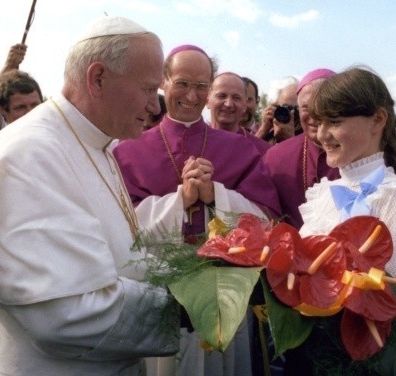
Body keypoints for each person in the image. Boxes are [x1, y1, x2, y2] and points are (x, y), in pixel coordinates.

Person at [0, 16, 181, 375]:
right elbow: (62, 314)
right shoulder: (29, 154)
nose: (155, 107)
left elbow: (120, 256)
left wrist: (198, 279)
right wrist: (180, 308)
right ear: (98, 78)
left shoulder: (96, 142)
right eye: (148, 89)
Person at [114, 44, 280, 376]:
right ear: (164, 81)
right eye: (183, 83)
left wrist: (215, 195)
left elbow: (267, 220)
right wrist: (182, 200)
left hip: (223, 298)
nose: (192, 95)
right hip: (154, 295)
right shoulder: (129, 149)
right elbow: (117, 225)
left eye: (201, 85)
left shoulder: (239, 149)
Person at [298, 66, 396, 292]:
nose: (322, 135)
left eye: (334, 121)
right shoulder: (325, 193)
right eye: (319, 122)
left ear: (378, 119)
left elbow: (395, 297)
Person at [262, 68, 340, 229]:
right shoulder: (275, 157)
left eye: (323, 105)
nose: (314, 114)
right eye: (305, 107)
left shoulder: (364, 152)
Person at [207, 72, 270, 155]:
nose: (228, 104)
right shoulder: (192, 140)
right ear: (207, 101)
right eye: (221, 96)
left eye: (236, 98)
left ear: (244, 105)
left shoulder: (263, 151)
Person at [0, 44, 28, 135]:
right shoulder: (4, 130)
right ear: (4, 110)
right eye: (20, 107)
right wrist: (10, 65)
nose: (28, 111)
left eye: (34, 105)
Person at [254, 77, 300, 144]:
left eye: (297, 109)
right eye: (285, 109)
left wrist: (290, 138)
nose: (291, 114)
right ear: (276, 107)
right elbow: (249, 152)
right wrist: (263, 130)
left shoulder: (310, 137)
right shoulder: (268, 133)